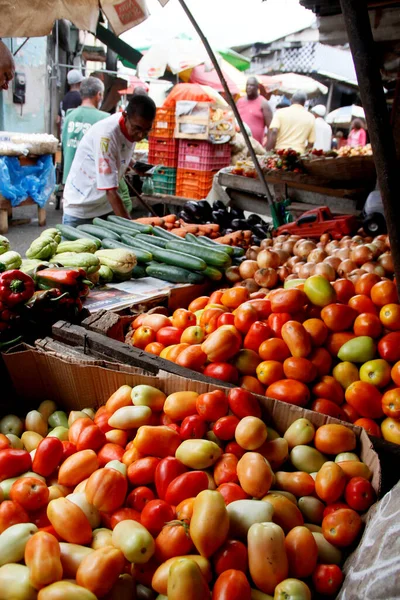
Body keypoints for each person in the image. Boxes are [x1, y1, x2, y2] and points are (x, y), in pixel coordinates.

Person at [62, 94, 156, 226]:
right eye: (137, 129)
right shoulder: (106, 136)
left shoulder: (131, 127)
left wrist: (135, 165)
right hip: (82, 207)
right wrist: (132, 229)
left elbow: (119, 153)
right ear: (125, 116)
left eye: (146, 131)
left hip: (104, 207)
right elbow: (111, 192)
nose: (141, 135)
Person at [62, 76, 133, 213]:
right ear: (99, 94)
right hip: (95, 189)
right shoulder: (105, 119)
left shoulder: (69, 116)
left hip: (71, 180)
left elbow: (65, 146)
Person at [236, 77, 272, 144]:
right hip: (240, 144)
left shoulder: (264, 103)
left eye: (251, 85)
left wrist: (267, 147)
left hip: (256, 147)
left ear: (257, 87)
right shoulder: (239, 102)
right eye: (247, 85)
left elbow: (271, 128)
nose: (249, 87)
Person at [57, 69, 84, 136]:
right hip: (76, 137)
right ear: (80, 83)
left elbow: (58, 120)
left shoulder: (64, 99)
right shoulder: (82, 99)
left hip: (64, 135)